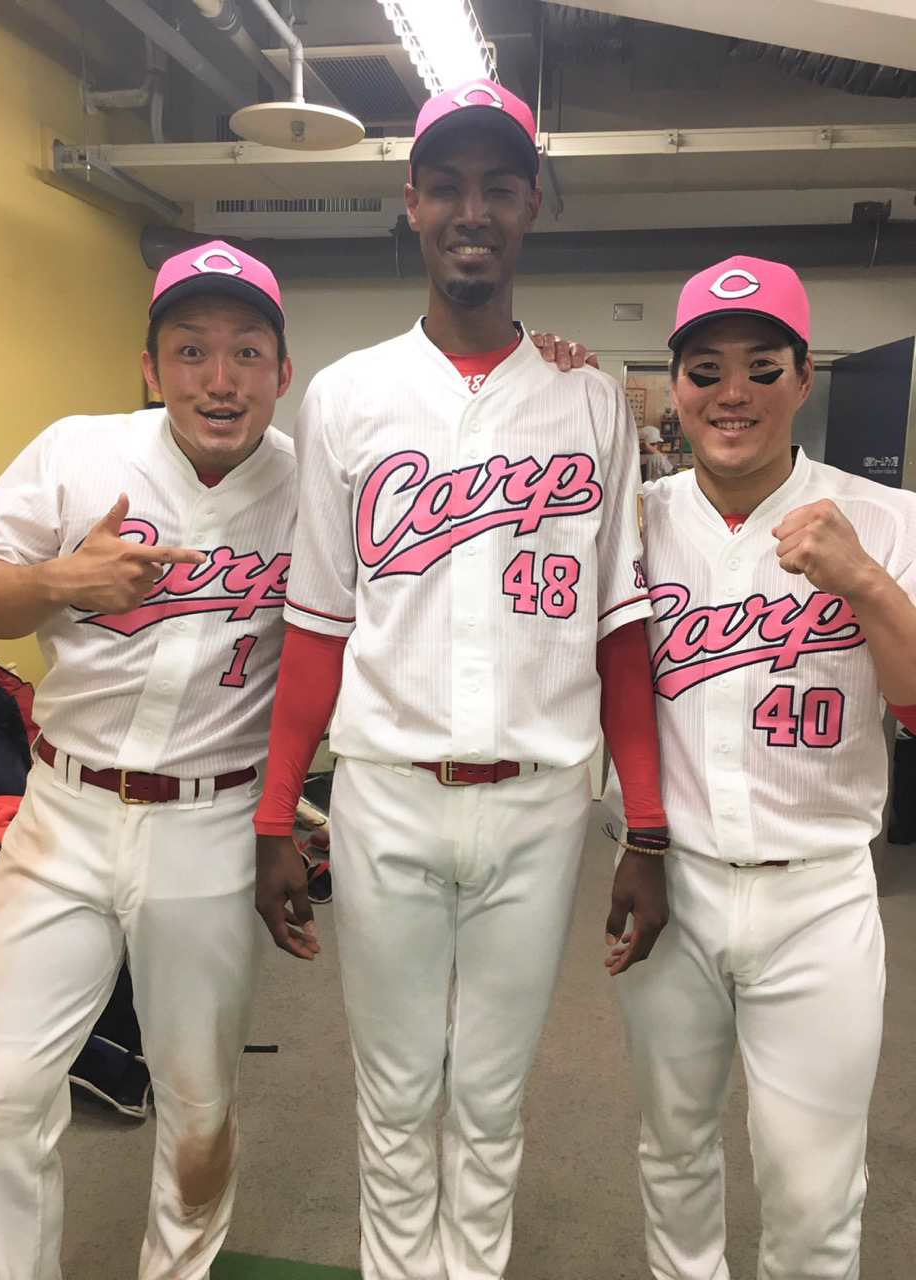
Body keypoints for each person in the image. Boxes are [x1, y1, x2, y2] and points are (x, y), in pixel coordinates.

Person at [253, 79, 669, 1280]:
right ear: (412, 202)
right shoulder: (347, 395)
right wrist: (277, 816)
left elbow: (621, 634)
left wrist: (643, 825)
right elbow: (317, 626)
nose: (470, 210)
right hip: (385, 795)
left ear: (531, 204)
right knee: (394, 1096)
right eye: (447, 186)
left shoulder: (591, 398)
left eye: (497, 186)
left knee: (489, 1097)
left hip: (539, 805)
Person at [0, 240, 300, 1280]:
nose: (219, 378)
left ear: (283, 372)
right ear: (150, 367)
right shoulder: (79, 450)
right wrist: (61, 580)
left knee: (198, 1107)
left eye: (247, 352)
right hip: (61, 811)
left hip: (211, 821)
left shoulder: (313, 484)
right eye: (190, 350)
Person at [607, 255, 916, 1279]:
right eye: (705, 370)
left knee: (814, 1191)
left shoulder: (889, 519)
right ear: (677, 386)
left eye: (761, 366)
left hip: (819, 894)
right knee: (673, 1152)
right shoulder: (635, 521)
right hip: (674, 881)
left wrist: (863, 580)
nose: (731, 392)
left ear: (804, 376)